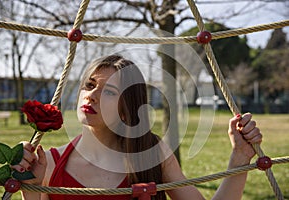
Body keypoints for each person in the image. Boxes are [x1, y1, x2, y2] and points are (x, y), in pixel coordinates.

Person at [13, 54, 262, 200]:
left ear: (128, 108)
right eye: (89, 85)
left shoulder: (152, 153)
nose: (92, 95)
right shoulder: (49, 163)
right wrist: (30, 190)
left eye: (109, 91)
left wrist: (239, 159)